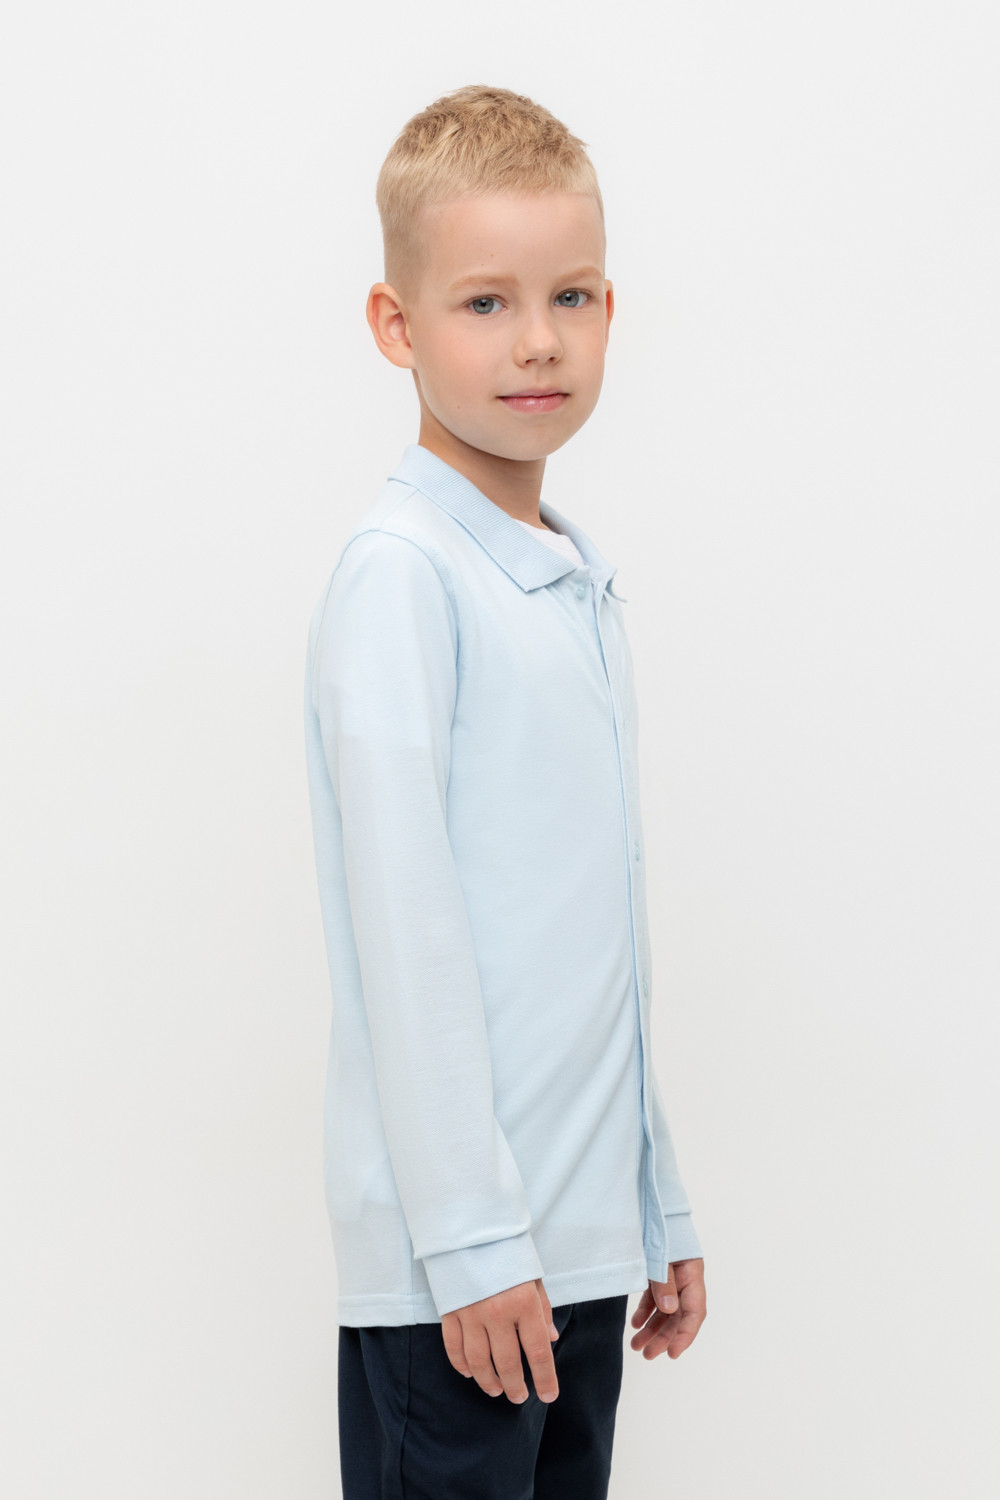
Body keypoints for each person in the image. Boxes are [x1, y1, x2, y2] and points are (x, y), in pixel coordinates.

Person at [304, 83, 707, 1499]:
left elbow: (593, 942)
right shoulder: (404, 579)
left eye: (570, 296)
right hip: (461, 1277)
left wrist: (651, 1199)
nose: (538, 339)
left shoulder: (569, 581)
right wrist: (473, 1244)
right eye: (485, 303)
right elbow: (409, 939)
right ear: (397, 326)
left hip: (577, 1251)